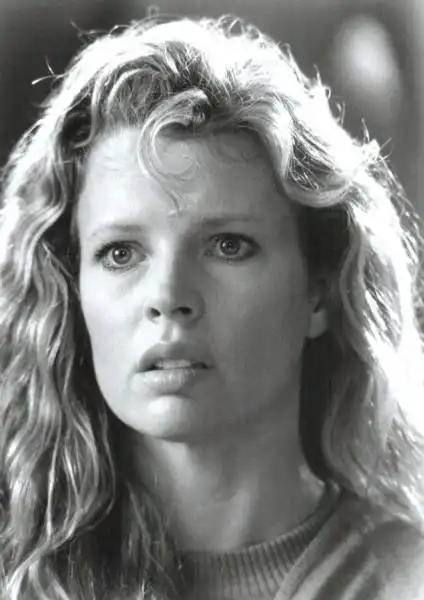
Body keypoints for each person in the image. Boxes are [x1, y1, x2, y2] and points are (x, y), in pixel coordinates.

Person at [0, 14, 424, 600]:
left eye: (228, 246)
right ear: (73, 289)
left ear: (319, 291)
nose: (168, 296)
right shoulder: (20, 575)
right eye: (121, 253)